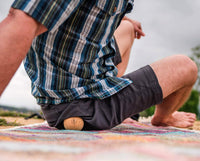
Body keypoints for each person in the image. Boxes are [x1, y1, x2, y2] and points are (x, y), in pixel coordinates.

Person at [0, 0, 197, 130]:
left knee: (127, 28)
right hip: (83, 108)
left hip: (58, 92)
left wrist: (126, 18)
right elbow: (21, 20)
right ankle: (163, 118)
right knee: (186, 67)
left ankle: (118, 104)